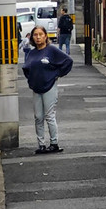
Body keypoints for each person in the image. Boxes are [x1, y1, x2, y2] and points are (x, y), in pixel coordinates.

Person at [22, 25, 73, 154]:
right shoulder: (32, 52)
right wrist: (31, 80)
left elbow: (68, 61)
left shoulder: (52, 50)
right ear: (32, 37)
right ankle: (41, 145)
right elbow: (26, 68)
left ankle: (54, 143)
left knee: (49, 116)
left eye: (40, 34)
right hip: (36, 88)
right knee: (38, 117)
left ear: (45, 36)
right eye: (35, 35)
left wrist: (57, 74)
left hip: (49, 86)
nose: (38, 37)